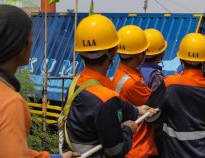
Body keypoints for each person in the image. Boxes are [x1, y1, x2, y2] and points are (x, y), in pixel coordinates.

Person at [0, 5, 77, 158]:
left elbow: (3, 149)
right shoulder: (9, 102)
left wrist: (57, 157)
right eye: (30, 35)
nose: (33, 41)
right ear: (21, 46)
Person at [62, 14, 154, 157]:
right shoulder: (107, 99)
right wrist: (128, 130)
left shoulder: (77, 82)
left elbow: (116, 105)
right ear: (113, 51)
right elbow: (115, 150)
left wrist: (137, 111)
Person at [161, 33, 205, 158]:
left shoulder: (169, 84)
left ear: (181, 59)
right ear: (204, 60)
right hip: (203, 153)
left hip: (173, 153)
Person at [112, 25, 156, 157]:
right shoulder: (133, 83)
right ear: (140, 55)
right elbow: (156, 102)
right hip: (138, 148)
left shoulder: (122, 73)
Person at [140, 28, 168, 154]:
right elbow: (159, 106)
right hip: (151, 130)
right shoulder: (156, 77)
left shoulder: (135, 70)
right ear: (161, 54)